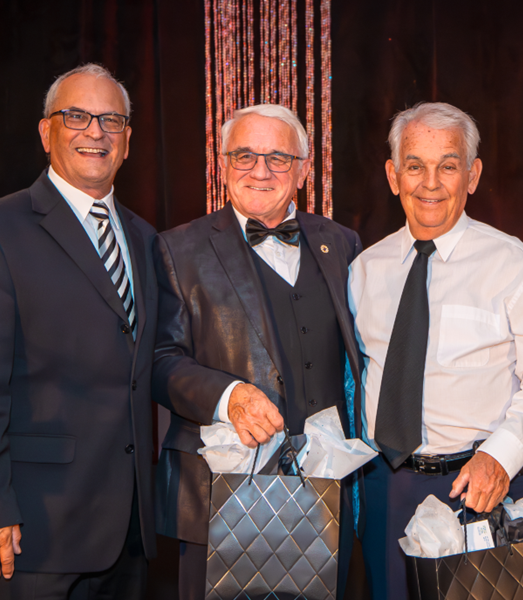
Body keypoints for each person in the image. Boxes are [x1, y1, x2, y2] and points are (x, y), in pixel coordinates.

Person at [0, 63, 157, 599]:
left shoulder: (146, 238)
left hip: (129, 531)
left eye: (111, 120)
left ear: (127, 141)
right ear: (46, 132)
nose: (96, 132)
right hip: (31, 533)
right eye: (77, 116)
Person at [349, 101, 523, 599]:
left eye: (448, 166)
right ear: (392, 176)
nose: (430, 183)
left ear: (472, 176)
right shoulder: (363, 270)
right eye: (414, 166)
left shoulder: (511, 262)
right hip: (386, 490)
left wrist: (500, 457)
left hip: (484, 487)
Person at [152, 103, 363, 600]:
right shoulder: (176, 249)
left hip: (326, 489)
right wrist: (229, 397)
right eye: (245, 156)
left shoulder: (343, 243)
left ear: (303, 169)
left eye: (278, 158)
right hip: (221, 496)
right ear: (223, 163)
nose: (260, 171)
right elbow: (159, 361)